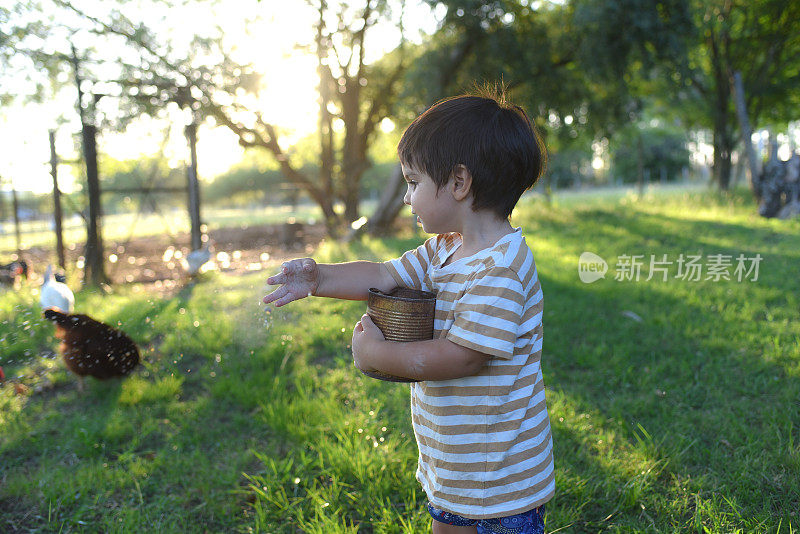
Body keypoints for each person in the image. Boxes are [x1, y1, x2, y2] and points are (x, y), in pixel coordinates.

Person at [263, 89, 554, 534]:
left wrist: (377, 357)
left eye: (414, 182)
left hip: (498, 485)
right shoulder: (446, 249)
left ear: (459, 183)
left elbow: (464, 356)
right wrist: (319, 278)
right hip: (459, 468)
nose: (406, 198)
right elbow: (384, 274)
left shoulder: (500, 270)